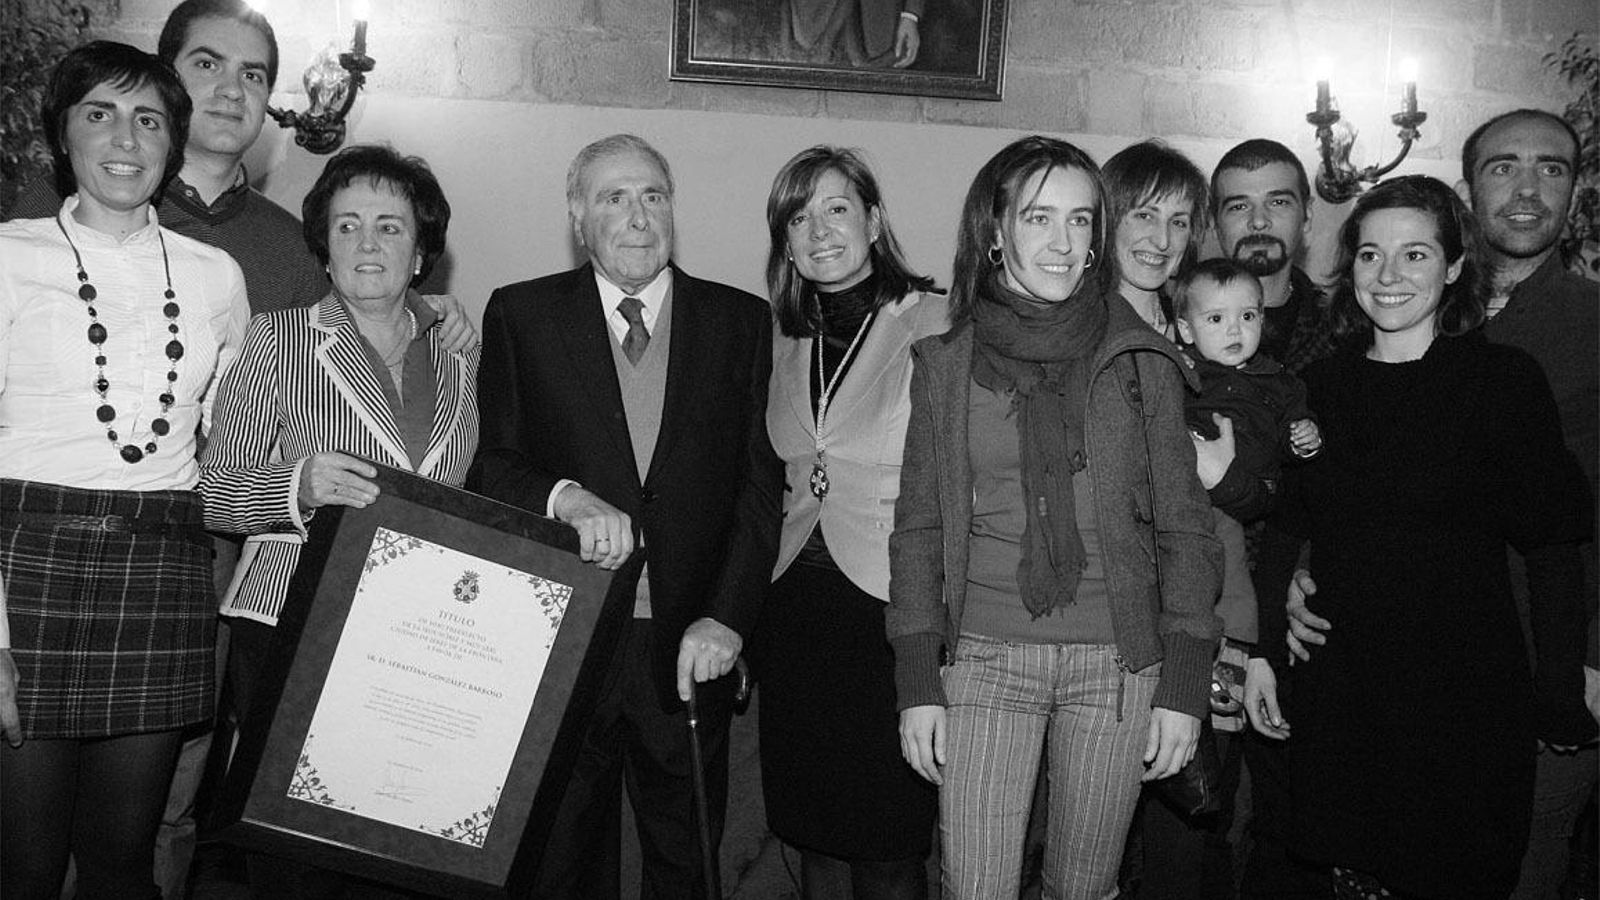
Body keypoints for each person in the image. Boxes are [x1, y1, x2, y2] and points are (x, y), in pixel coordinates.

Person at [888, 135, 1223, 900]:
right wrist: (916, 680)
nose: (1064, 243)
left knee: (1084, 889)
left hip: (1118, 666)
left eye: (1081, 221)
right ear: (995, 231)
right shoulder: (946, 365)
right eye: (1040, 218)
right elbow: (917, 532)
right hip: (982, 660)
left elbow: (1186, 530)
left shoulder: (1139, 358)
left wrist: (1183, 685)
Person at [1283, 108, 1600, 900]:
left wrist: (1567, 680)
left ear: (1454, 266)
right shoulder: (1322, 384)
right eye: (1371, 254)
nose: (1390, 273)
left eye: (1415, 253)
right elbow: (1295, 516)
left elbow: (1556, 538)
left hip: (1477, 692)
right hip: (1349, 691)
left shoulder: (1508, 377)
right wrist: (1283, 594)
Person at [467, 133, 783, 899]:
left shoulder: (740, 320)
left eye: (653, 196)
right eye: (613, 197)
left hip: (687, 646)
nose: (637, 216)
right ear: (579, 217)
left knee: (685, 859)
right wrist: (565, 496)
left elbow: (758, 486)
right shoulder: (522, 314)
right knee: (564, 855)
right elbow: (493, 465)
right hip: (568, 636)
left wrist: (728, 618)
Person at [0, 41, 249, 898]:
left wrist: (419, 311)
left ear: (171, 143)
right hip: (23, 573)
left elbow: (241, 435)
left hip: (160, 573)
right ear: (60, 135)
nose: (126, 138)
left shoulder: (218, 275)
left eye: (149, 119)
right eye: (99, 112)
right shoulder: (8, 256)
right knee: (24, 869)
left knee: (121, 867)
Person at [196, 142, 478, 893]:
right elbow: (215, 490)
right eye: (348, 226)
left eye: (390, 226)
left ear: (421, 253)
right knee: (295, 854)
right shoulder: (277, 340)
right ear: (323, 246)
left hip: (418, 638)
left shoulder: (461, 355)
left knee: (396, 842)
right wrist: (299, 484)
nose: (367, 242)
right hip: (291, 622)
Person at [756, 145, 945, 899]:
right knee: (815, 834)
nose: (819, 230)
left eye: (837, 208)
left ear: (873, 219)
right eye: (798, 217)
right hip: (795, 614)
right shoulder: (779, 337)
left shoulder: (938, 323)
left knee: (891, 838)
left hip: (892, 612)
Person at [1205, 137, 1340, 900]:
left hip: (1309, 613)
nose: (1258, 219)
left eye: (1278, 201)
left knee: (1297, 823)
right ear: (1217, 225)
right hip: (1208, 603)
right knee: (1201, 811)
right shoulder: (1188, 331)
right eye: (1238, 204)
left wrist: (1311, 569)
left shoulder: (1352, 327)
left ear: (1306, 218)